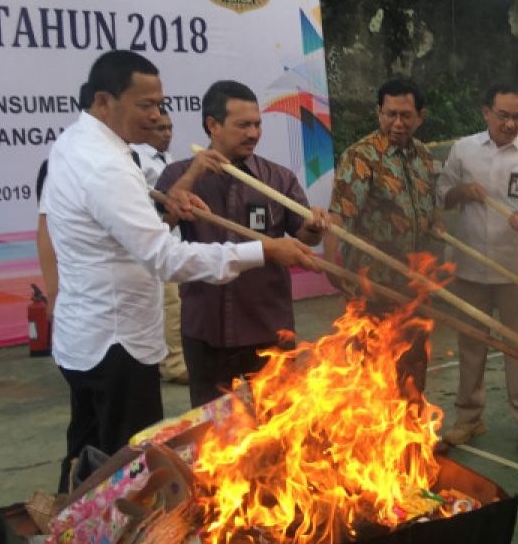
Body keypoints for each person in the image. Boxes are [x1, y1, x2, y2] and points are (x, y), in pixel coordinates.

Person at [43, 51, 316, 491]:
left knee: (87, 458)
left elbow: (126, 230)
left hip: (89, 337)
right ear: (104, 100)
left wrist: (165, 207)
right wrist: (262, 251)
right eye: (145, 105)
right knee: (130, 480)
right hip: (117, 344)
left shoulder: (79, 143)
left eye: (160, 104)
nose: (157, 116)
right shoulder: (106, 164)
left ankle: (71, 537)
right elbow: (166, 258)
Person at [158, 81, 326, 407]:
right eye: (243, 125)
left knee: (279, 426)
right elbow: (159, 226)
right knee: (213, 432)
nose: (253, 133)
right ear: (212, 125)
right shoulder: (178, 174)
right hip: (206, 329)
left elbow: (305, 236)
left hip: (268, 329)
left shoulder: (277, 179)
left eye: (257, 124)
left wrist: (314, 225)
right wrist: (192, 176)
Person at [436, 85, 518, 454]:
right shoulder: (464, 150)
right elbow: (442, 193)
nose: (510, 123)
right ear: (486, 112)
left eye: (517, 116)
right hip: (470, 266)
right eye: (503, 115)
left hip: (517, 269)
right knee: (471, 346)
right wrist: (461, 192)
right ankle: (469, 417)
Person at [325, 77, 441, 392]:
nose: (397, 122)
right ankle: (373, 439)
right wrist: (330, 262)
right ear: (379, 113)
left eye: (405, 115)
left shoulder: (424, 158)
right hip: (373, 285)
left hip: (414, 284)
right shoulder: (361, 156)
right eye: (390, 114)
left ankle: (412, 435)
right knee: (373, 368)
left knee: (414, 362)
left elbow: (427, 211)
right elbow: (339, 215)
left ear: (420, 116)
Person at [130, 108, 189, 386]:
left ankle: (168, 359)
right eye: (160, 129)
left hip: (174, 242)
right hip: (151, 245)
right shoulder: (136, 160)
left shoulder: (168, 159)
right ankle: (174, 364)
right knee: (170, 304)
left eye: (169, 128)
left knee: (173, 305)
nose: (167, 133)